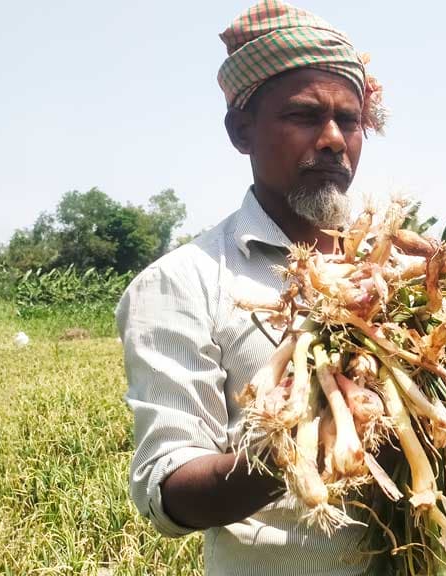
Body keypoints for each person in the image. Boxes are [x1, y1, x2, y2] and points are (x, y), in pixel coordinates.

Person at [116, 2, 385, 574]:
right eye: (306, 116)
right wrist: (298, 437)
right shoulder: (181, 282)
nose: (335, 139)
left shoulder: (391, 270)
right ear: (242, 131)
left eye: (350, 120)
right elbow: (167, 488)